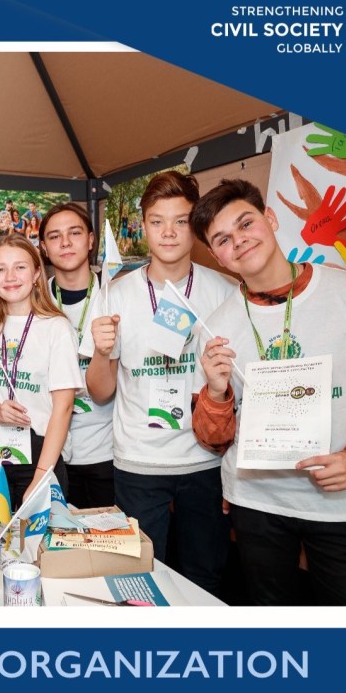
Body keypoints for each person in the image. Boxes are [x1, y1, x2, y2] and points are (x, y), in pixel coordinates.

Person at [190, 177, 346, 606]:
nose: (238, 241)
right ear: (216, 256)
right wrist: (216, 394)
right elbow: (214, 439)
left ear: (271, 219)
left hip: (345, 502)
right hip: (257, 504)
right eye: (222, 239)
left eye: (245, 224)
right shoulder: (216, 327)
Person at [87, 171, 236, 597]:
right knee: (141, 581)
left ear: (196, 225)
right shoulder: (114, 295)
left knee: (205, 578)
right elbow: (100, 392)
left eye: (181, 221)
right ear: (143, 225)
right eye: (157, 221)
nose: (168, 232)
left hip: (204, 461)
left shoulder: (224, 290)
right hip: (139, 461)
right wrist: (101, 351)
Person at [0, 233, 82, 516]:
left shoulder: (57, 328)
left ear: (36, 273)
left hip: (40, 452)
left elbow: (63, 407)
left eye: (20, 267)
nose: (10, 277)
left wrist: (42, 475)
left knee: (39, 541)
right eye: (0, 269)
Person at [39, 202, 115, 508]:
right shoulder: (33, 303)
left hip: (108, 452)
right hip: (49, 453)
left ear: (91, 240)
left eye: (75, 233)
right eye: (55, 236)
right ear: (44, 248)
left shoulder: (115, 297)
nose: (66, 242)